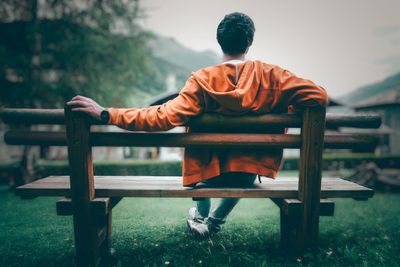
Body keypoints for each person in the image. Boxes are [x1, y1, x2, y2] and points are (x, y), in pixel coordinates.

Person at [67, 12, 328, 238]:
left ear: (219, 41)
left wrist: (106, 114)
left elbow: (162, 117)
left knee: (206, 158)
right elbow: (318, 97)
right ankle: (213, 221)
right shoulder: (272, 77)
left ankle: (202, 218)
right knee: (241, 161)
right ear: (249, 43)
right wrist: (285, 108)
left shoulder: (201, 81)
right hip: (248, 173)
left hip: (207, 173)